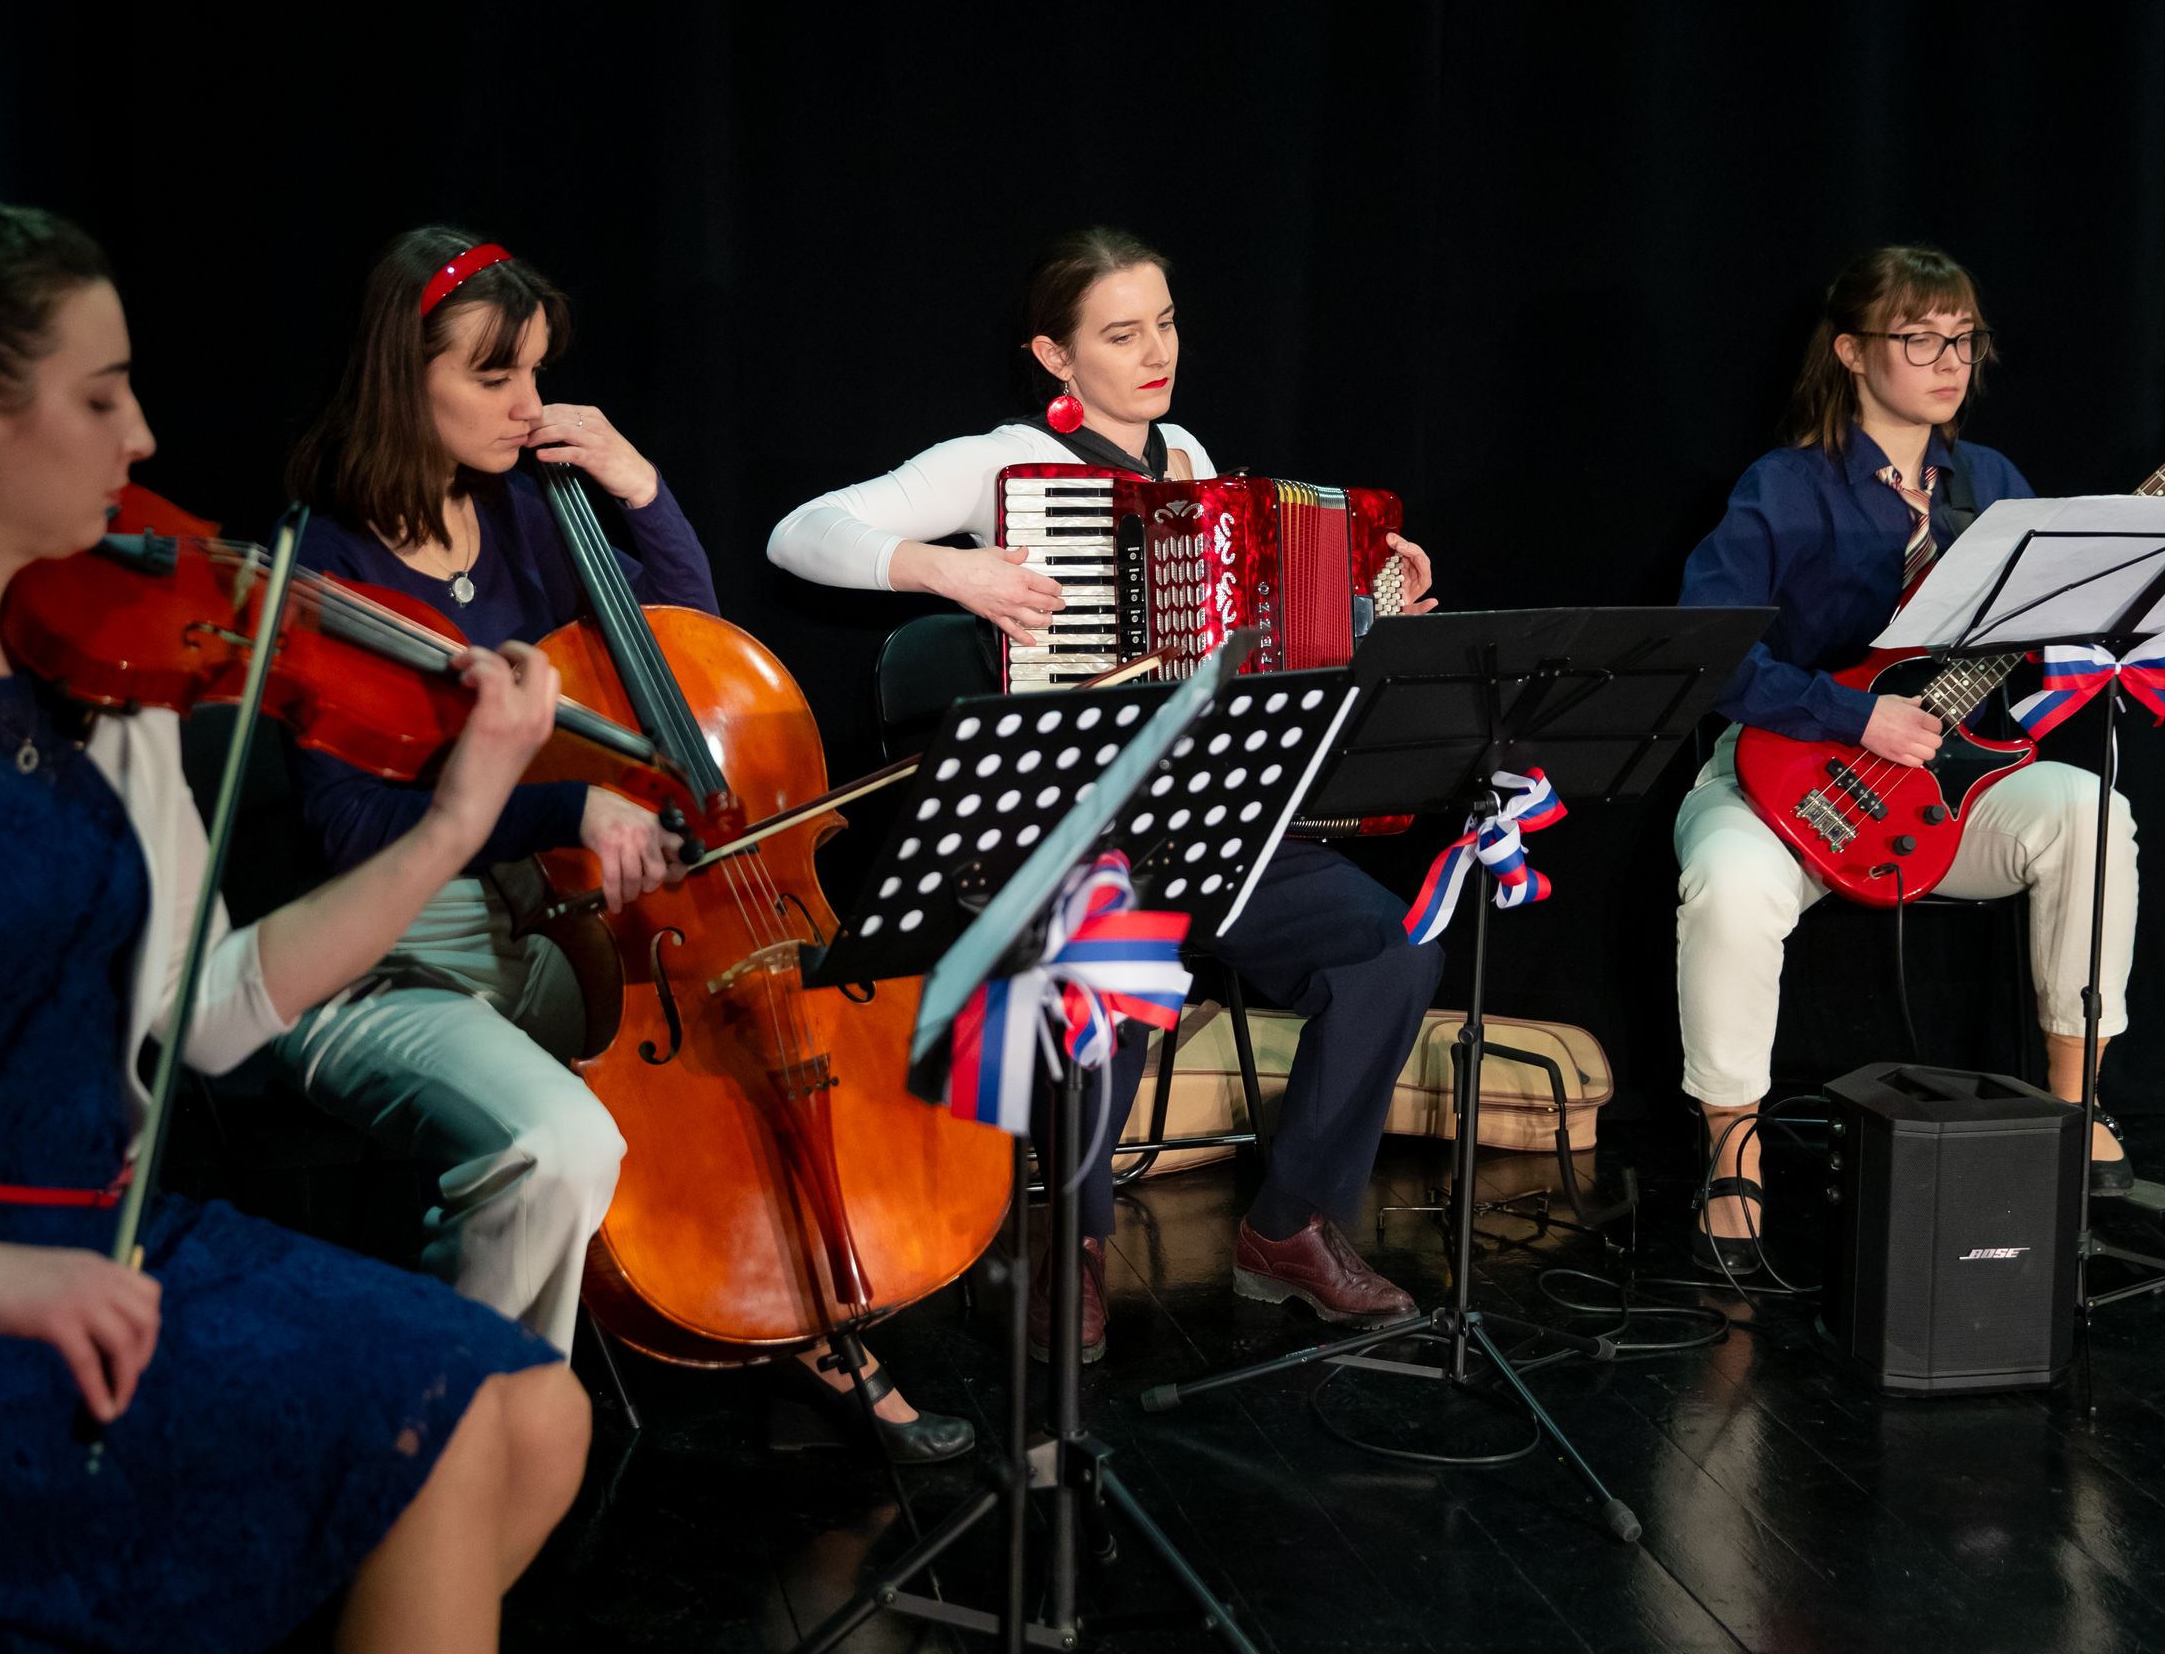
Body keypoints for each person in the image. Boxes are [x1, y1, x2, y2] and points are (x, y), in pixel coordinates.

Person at [0, 165, 588, 1653]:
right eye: (103, 397)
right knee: (439, 1450)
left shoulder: (110, 689)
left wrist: (456, 825)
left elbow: (213, 1009)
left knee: (541, 1415)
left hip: (120, 1243)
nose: (145, 438)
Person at [275, 227, 973, 1462]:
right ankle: (453, 1432)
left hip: (558, 920)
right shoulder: (326, 564)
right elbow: (349, 830)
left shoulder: (527, 511)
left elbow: (680, 654)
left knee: (745, 1040)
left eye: (537, 370)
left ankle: (804, 1313)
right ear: (401, 375)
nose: (528, 404)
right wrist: (564, 811)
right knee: (579, 1130)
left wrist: (642, 489)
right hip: (405, 938)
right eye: (495, 374)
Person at [767, 225, 1442, 1363]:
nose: (1156, 353)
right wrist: (949, 568)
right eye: (1121, 335)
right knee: (1112, 964)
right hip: (1067, 833)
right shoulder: (999, 463)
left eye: (1164, 325)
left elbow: (1252, 636)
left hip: (1200, 817)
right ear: (1056, 355)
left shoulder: (1188, 458)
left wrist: (1370, 590)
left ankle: (1288, 1227)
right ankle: (1069, 1244)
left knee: (1394, 944)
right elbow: (802, 533)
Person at [1672, 243, 2165, 1272]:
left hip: (1944, 786)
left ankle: (2076, 1110)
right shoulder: (1784, 486)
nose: (1950, 362)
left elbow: (2081, 611)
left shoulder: (1993, 484)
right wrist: (1853, 717)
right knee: (1727, 882)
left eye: (1963, 339)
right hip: (1783, 775)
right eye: (1919, 338)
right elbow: (1703, 653)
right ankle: (1732, 1148)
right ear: (1851, 351)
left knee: (2091, 811)